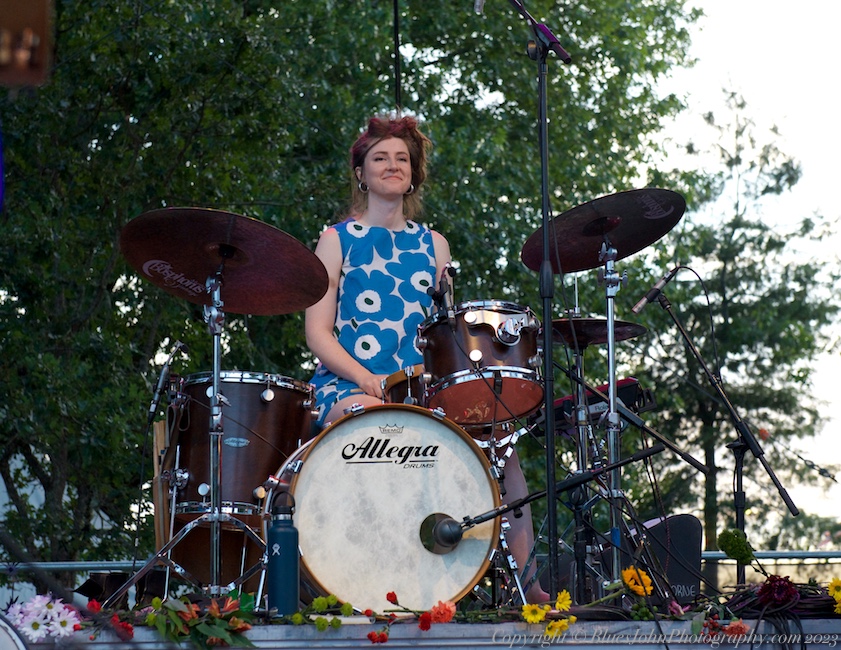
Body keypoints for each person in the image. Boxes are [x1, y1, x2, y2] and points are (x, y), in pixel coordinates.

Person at [304, 114, 550, 604]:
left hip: (424, 389)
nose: (391, 165)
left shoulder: (435, 244)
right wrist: (366, 379)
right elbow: (317, 333)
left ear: (413, 173)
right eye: (380, 158)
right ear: (361, 173)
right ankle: (370, 578)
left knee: (503, 443)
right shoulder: (336, 238)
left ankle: (528, 585)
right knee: (370, 424)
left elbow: (447, 331)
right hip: (350, 384)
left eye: (402, 158)